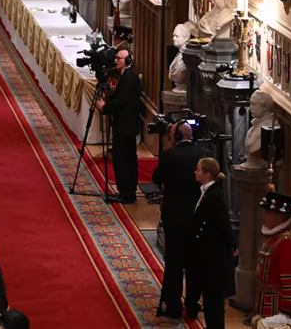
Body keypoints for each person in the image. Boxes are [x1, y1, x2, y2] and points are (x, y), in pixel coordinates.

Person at [152, 121, 201, 317]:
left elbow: (156, 179)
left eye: (171, 135)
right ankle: (192, 304)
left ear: (177, 137)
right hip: (197, 218)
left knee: (173, 262)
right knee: (194, 263)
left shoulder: (169, 156)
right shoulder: (204, 154)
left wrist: (166, 150)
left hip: (174, 218)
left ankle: (173, 305)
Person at [188, 157, 234, 328]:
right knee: (209, 302)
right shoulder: (207, 192)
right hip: (207, 258)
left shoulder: (214, 196)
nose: (195, 172)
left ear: (207, 174)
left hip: (213, 260)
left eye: (198, 170)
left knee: (213, 303)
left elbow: (223, 227)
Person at [95, 48, 141, 203]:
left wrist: (104, 108)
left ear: (128, 61)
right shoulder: (127, 76)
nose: (116, 61)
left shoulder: (129, 78)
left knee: (123, 160)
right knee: (124, 158)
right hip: (125, 125)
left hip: (125, 127)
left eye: (119, 58)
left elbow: (120, 102)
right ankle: (126, 191)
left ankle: (126, 193)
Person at [254, 191, 291, 319]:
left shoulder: (288, 242)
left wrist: (284, 314)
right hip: (267, 304)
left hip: (278, 311)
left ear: (281, 216)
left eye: (268, 212)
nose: (264, 215)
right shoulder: (275, 239)